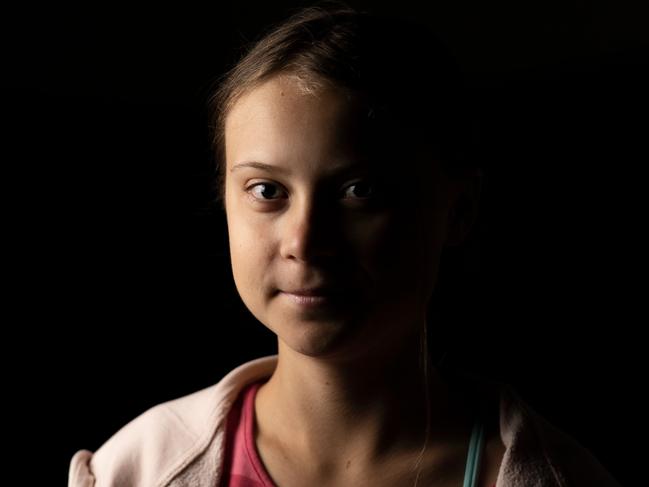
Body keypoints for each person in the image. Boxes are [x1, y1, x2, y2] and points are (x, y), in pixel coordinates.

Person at [68, 2, 621, 486]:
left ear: (458, 210)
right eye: (267, 191)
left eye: (359, 191)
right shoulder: (136, 470)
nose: (305, 242)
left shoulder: (553, 475)